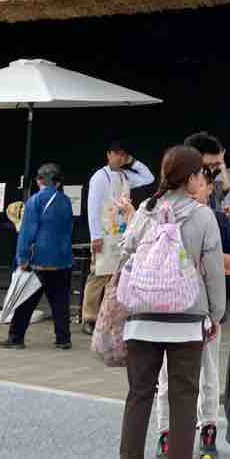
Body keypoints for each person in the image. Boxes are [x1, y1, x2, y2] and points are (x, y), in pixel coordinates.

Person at [114, 145, 225, 459]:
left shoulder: (145, 211)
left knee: (139, 393)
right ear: (191, 178)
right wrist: (216, 314)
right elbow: (214, 272)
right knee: (183, 395)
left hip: (142, 317)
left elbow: (125, 253)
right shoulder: (203, 216)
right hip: (187, 319)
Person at [162, 132, 230, 459]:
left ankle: (207, 429)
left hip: (204, 310)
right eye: (207, 170)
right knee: (167, 378)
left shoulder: (217, 219)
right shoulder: (160, 210)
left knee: (209, 372)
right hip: (168, 307)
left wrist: (206, 256)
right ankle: (166, 434)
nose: (213, 178)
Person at [0, 162, 75, 350]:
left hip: (39, 259)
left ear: (39, 180)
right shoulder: (65, 201)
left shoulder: (35, 201)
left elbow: (26, 233)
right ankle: (63, 338)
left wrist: (22, 258)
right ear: (58, 182)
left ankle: (16, 337)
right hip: (61, 259)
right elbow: (68, 229)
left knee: (26, 298)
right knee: (60, 300)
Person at [83, 141, 155, 335]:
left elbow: (148, 177)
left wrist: (133, 162)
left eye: (124, 155)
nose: (120, 158)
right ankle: (89, 317)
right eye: (117, 154)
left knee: (118, 275)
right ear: (108, 155)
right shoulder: (100, 177)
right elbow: (93, 207)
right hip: (105, 232)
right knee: (99, 274)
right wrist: (95, 236)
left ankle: (110, 315)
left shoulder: (126, 175)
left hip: (122, 233)